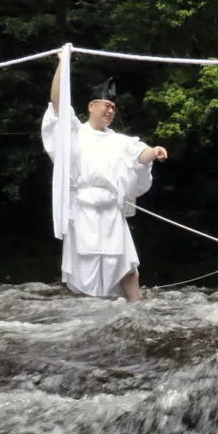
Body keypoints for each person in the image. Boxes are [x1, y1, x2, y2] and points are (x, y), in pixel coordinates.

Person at [41, 57, 168, 301]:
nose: (110, 111)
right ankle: (88, 315)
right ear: (91, 106)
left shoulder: (119, 141)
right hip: (83, 210)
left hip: (111, 210)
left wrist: (154, 151)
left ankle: (137, 309)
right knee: (85, 269)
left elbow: (139, 154)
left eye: (113, 107)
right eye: (106, 105)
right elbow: (57, 103)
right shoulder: (74, 133)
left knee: (127, 268)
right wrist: (62, 63)